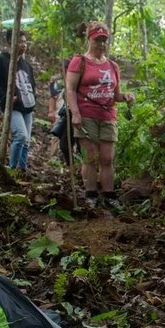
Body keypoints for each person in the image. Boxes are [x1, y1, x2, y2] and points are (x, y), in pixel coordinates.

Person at [66, 21, 134, 210]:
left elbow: (115, 94)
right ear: (89, 39)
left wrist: (125, 97)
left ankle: (109, 195)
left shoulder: (113, 66)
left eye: (104, 40)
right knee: (90, 157)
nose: (101, 44)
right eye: (97, 40)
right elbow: (70, 89)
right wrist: (75, 113)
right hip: (86, 114)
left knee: (107, 158)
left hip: (108, 115)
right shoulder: (79, 61)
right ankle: (91, 194)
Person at [0, 28, 37, 172]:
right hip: (12, 106)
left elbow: (32, 84)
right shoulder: (1, 60)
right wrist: (7, 98)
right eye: (20, 41)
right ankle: (11, 169)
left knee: (26, 141)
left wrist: (34, 97)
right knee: (20, 136)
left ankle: (22, 169)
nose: (23, 44)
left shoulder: (26, 65)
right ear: (11, 42)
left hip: (27, 106)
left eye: (25, 42)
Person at [48, 59, 77, 170]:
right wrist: (51, 111)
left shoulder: (75, 79)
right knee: (57, 136)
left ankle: (72, 164)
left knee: (71, 139)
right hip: (60, 112)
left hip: (73, 112)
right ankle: (53, 160)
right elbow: (53, 96)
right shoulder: (57, 82)